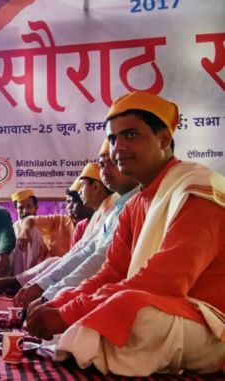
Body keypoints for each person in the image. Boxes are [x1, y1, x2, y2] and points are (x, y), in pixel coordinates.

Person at [26, 92, 225, 376]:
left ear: (163, 139)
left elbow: (164, 282)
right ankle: (90, 346)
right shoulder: (133, 205)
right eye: (113, 138)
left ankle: (85, 345)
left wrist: (69, 313)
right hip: (162, 307)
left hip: (211, 323)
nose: (117, 147)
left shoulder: (197, 190)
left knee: (134, 313)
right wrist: (61, 303)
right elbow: (111, 272)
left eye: (130, 135)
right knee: (96, 302)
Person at [15, 145, 139, 308]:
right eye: (102, 165)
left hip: (120, 293)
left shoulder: (129, 204)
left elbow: (101, 260)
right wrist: (42, 286)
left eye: (113, 162)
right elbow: (85, 251)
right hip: (95, 285)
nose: (104, 171)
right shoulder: (115, 207)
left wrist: (50, 294)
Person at [0, 177, 94, 295]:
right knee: (2, 252)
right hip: (44, 267)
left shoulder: (94, 222)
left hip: (65, 268)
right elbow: (30, 220)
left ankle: (13, 283)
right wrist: (24, 231)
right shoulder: (60, 219)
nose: (69, 206)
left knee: (56, 261)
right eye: (68, 202)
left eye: (74, 202)